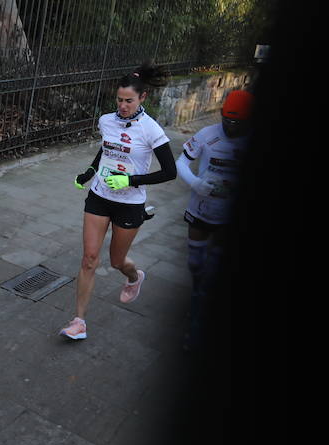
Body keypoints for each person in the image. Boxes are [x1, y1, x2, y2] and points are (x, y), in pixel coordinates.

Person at [60, 65, 177, 340]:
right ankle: (79, 322)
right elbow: (106, 148)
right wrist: (90, 172)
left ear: (143, 98)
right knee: (89, 259)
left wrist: (130, 180)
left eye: (129, 101)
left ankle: (135, 277)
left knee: (116, 261)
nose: (123, 106)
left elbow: (170, 172)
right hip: (100, 197)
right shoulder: (106, 121)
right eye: (119, 100)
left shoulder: (151, 130)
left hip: (129, 204)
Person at [175, 88, 253, 351]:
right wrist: (197, 184)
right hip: (201, 209)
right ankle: (196, 297)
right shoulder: (207, 135)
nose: (231, 126)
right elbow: (180, 163)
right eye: (227, 120)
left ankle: (196, 324)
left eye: (237, 122)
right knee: (195, 263)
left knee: (212, 272)